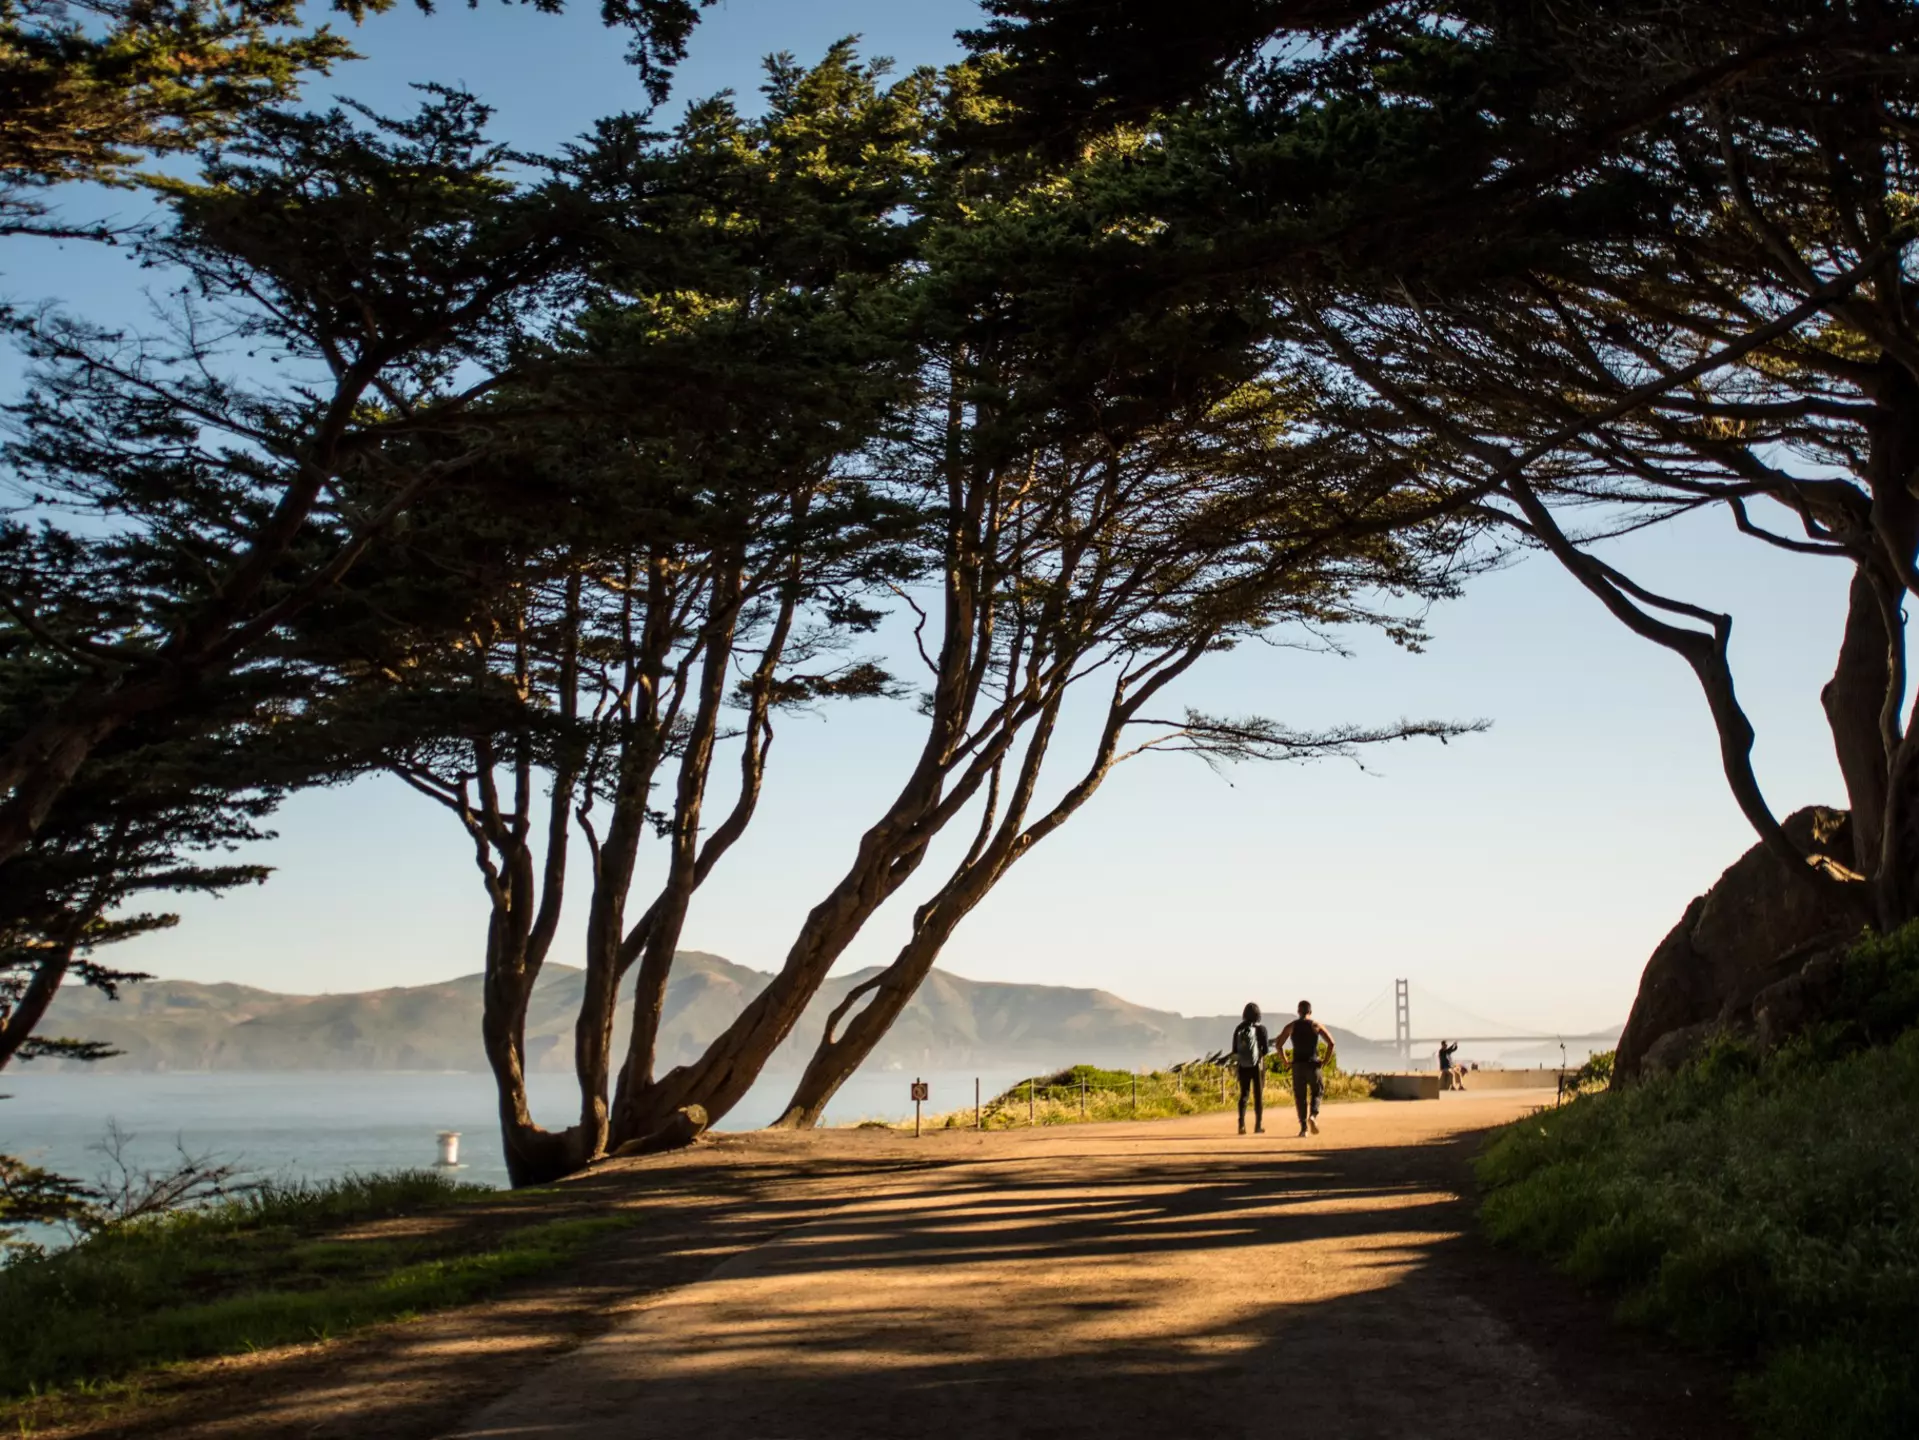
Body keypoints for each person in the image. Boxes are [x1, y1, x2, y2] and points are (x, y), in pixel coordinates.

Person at [1275, 1001, 1336, 1136]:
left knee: (1300, 1097)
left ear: (1299, 1011)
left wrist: (1285, 1061)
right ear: (1310, 1011)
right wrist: (1325, 1060)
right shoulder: (1315, 1025)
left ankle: (1303, 1128)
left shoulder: (1292, 1026)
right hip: (1313, 1064)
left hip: (1297, 1065)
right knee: (1317, 1091)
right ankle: (1313, 1115)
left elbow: (1278, 1044)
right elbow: (1331, 1043)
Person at [1230, 1002, 1270, 1134]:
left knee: (1244, 1095)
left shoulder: (1238, 1029)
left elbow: (1234, 1050)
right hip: (1257, 1066)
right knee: (1258, 1096)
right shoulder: (1261, 1029)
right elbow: (1266, 1050)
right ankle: (1258, 1126)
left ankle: (1241, 1124)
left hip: (1243, 1065)